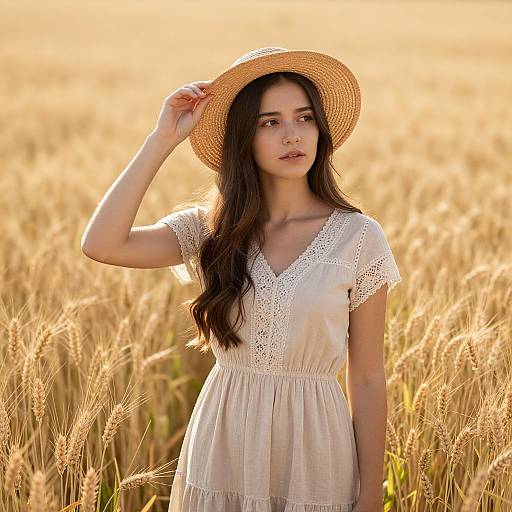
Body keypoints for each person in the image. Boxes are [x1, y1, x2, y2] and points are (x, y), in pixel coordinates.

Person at [81, 47, 402, 512]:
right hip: (224, 443)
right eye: (269, 122)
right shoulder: (212, 230)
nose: (292, 135)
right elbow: (102, 244)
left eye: (304, 117)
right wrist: (161, 140)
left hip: (315, 453)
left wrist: (371, 496)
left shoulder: (358, 238)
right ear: (243, 139)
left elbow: (369, 377)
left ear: (320, 129)